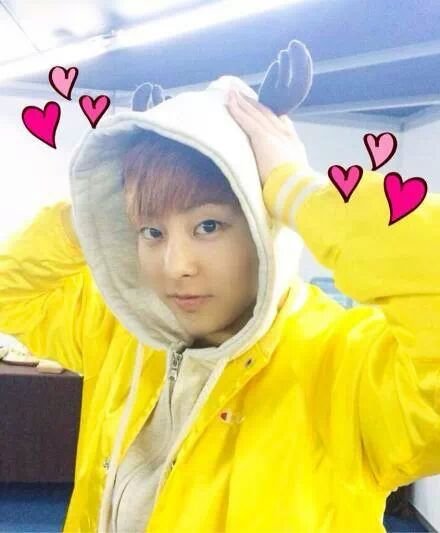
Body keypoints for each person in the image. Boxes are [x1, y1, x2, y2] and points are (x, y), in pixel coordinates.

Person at [0, 69, 439, 532]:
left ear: (264, 225)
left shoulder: (346, 367)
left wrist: (297, 189)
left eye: (208, 226)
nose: (176, 266)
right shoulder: (122, 330)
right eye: (152, 231)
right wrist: (95, 212)